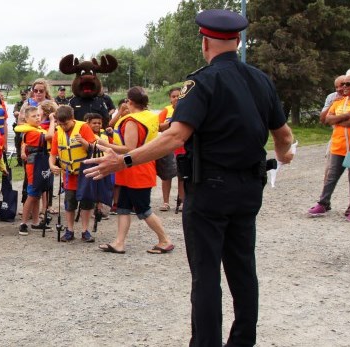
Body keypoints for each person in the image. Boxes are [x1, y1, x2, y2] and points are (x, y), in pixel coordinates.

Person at [83, 10, 294, 346]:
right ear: (237, 41)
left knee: (207, 274)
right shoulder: (260, 80)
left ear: (204, 42)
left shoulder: (201, 82)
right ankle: (243, 341)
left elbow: (175, 137)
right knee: (243, 268)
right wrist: (285, 156)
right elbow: (282, 135)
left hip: (210, 190)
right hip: (249, 188)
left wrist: (122, 160)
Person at [91, 87, 173, 254]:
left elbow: (130, 148)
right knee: (123, 206)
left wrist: (104, 144)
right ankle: (119, 242)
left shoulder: (132, 121)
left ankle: (165, 240)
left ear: (130, 102)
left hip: (136, 168)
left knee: (143, 208)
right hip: (139, 167)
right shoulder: (150, 116)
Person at [308, 73, 350, 221]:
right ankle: (323, 203)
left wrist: (337, 120)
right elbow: (327, 119)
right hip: (338, 146)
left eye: (347, 84)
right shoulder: (339, 101)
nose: (343, 87)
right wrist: (346, 116)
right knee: (331, 177)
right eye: (342, 84)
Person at [48, 106, 97, 242]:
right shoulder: (58, 133)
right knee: (69, 203)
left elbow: (94, 148)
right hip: (69, 174)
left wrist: (85, 143)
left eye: (66, 124)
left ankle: (85, 230)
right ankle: (69, 230)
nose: (63, 126)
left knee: (87, 202)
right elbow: (53, 154)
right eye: (60, 124)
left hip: (85, 172)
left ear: (72, 118)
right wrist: (52, 166)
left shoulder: (84, 128)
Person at [13, 106, 46, 235]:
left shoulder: (37, 129)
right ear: (26, 119)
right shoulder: (33, 132)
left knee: (37, 195)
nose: (37, 118)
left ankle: (36, 222)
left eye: (38, 115)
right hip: (34, 165)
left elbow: (24, 144)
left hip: (39, 163)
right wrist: (53, 121)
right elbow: (48, 137)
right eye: (34, 116)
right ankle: (24, 223)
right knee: (32, 194)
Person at [156, 87, 184, 212]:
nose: (176, 98)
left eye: (179, 96)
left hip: (183, 148)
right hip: (168, 147)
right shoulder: (166, 111)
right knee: (166, 176)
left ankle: (182, 201)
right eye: (173, 96)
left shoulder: (188, 110)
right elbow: (157, 127)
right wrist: (172, 123)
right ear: (170, 98)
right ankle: (166, 202)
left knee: (182, 177)